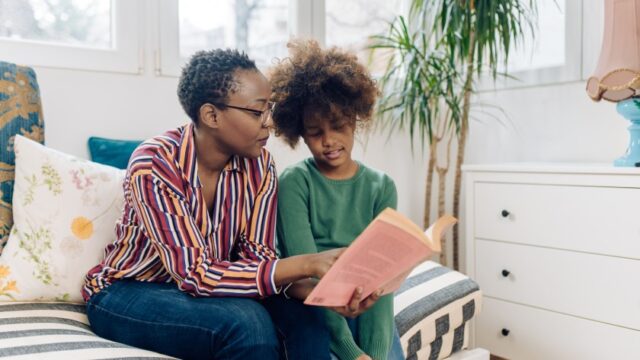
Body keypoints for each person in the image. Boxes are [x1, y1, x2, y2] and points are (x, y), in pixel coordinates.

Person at [82, 49, 371, 360]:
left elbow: (257, 262)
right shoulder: (155, 162)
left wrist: (321, 293)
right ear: (212, 116)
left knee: (308, 319)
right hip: (128, 291)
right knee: (246, 323)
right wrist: (308, 263)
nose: (269, 123)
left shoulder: (259, 166)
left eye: (269, 109)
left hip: (211, 290)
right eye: (257, 112)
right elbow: (194, 274)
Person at [270, 40, 404, 360]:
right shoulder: (295, 183)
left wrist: (372, 355)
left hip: (370, 308)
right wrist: (351, 353)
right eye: (315, 132)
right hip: (315, 304)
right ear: (300, 134)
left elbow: (380, 283)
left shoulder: (382, 187)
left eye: (338, 126)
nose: (328, 140)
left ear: (355, 120)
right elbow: (311, 277)